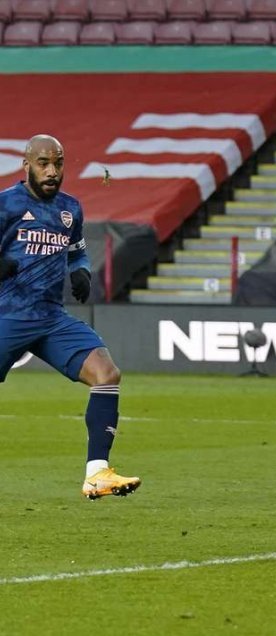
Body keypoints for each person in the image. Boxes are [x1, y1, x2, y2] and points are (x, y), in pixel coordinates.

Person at [0, 134, 141, 500]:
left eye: (58, 164)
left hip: (50, 317)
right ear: (26, 164)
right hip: (7, 315)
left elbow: (76, 251)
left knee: (106, 374)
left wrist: (81, 270)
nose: (52, 171)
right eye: (43, 163)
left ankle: (97, 474)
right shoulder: (6, 205)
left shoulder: (70, 209)